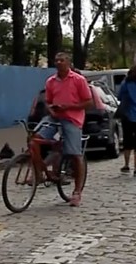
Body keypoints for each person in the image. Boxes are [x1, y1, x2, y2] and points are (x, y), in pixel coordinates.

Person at [32, 51, 94, 207]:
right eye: (56, 60)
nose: (58, 62)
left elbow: (88, 102)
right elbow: (48, 101)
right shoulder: (51, 81)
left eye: (62, 60)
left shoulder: (78, 80)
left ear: (68, 62)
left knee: (75, 154)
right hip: (54, 117)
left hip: (72, 118)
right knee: (34, 139)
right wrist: (51, 110)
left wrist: (69, 107)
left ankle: (77, 191)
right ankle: (40, 172)